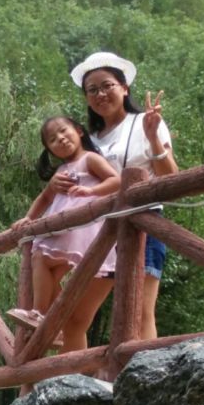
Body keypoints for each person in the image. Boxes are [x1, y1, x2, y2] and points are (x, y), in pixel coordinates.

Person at [54, 51, 179, 340]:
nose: (100, 94)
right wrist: (58, 183)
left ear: (124, 88)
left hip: (142, 222)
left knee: (140, 313)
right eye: (92, 90)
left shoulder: (147, 122)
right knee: (75, 318)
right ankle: (72, 372)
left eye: (107, 85)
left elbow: (170, 177)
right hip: (99, 230)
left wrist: (152, 138)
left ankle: (144, 370)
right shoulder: (89, 141)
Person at [8, 116, 121, 352]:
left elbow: (116, 180)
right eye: (52, 139)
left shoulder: (90, 159)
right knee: (47, 271)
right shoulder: (60, 171)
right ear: (50, 150)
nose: (60, 138)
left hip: (83, 229)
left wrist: (91, 191)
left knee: (41, 257)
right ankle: (51, 322)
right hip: (66, 230)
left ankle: (39, 314)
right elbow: (45, 198)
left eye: (63, 131)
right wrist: (29, 218)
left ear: (78, 131)